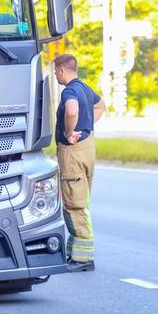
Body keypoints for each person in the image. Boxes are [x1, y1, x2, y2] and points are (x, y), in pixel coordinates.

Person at [54, 54, 105, 272]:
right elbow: (101, 105)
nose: (55, 75)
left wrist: (69, 132)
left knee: (74, 203)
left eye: (56, 71)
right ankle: (75, 254)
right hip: (87, 148)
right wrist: (86, 129)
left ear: (63, 70)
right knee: (81, 199)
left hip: (72, 152)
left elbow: (72, 110)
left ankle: (83, 259)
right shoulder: (85, 88)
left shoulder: (70, 91)